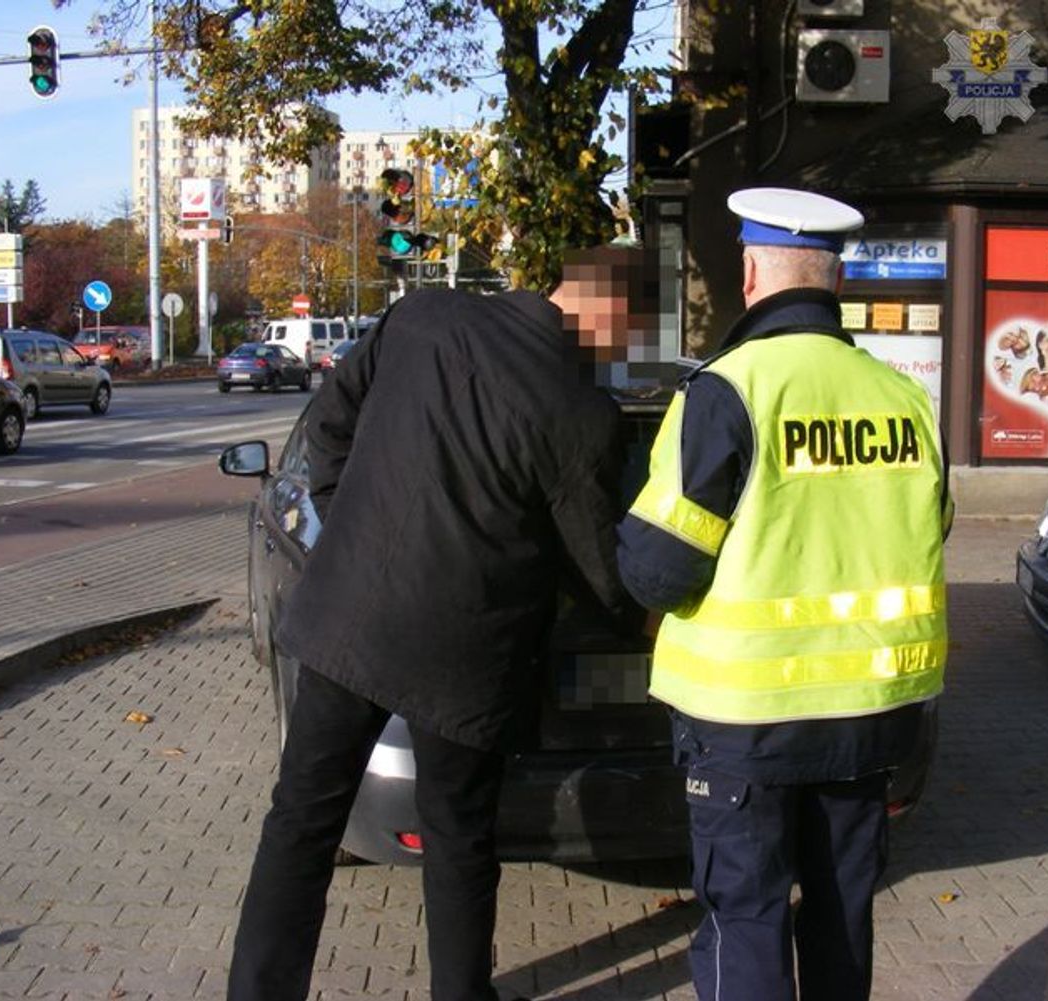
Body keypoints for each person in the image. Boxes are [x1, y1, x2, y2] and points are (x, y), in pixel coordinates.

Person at [227, 262, 643, 1001]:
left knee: (300, 820)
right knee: (457, 837)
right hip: (465, 655)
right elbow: (600, 569)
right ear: (607, 314)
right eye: (629, 333)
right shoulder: (582, 411)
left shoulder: (422, 316)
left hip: (348, 618)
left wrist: (351, 528)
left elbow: (329, 427)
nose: (624, 351)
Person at [616, 187, 954, 1001]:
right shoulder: (903, 397)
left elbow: (661, 569)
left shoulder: (727, 390)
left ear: (753, 270)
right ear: (834, 280)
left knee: (748, 915)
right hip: (871, 712)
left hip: (748, 721)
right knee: (842, 911)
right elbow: (933, 525)